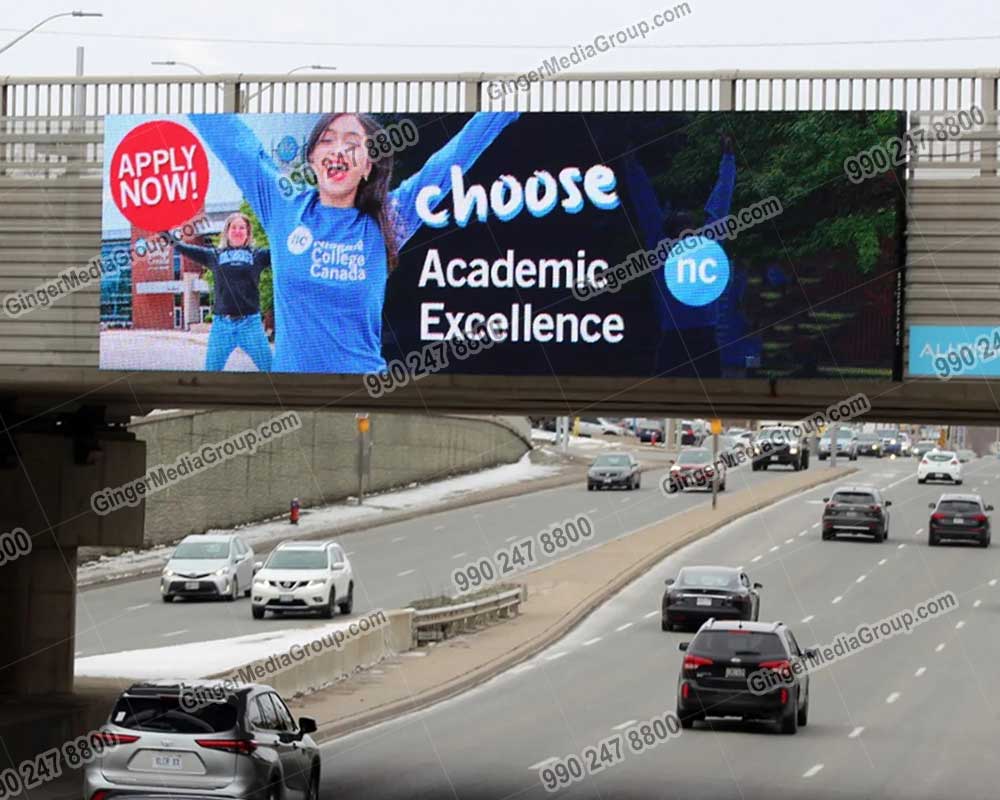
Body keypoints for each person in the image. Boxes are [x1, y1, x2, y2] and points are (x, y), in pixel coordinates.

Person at [189, 111, 520, 373]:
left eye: (352, 143)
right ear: (313, 160)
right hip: (292, 402)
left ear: (367, 166)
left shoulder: (389, 217)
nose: (338, 150)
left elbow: (452, 160)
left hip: (365, 402)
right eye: (327, 140)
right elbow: (234, 142)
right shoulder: (283, 206)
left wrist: (511, 103)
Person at [622, 134, 742, 377]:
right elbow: (720, 204)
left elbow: (646, 206)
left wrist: (631, 165)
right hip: (691, 338)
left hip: (684, 338)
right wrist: (728, 160)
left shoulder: (670, 249)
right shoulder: (680, 247)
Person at [165, 212, 272, 372]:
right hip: (222, 325)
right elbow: (181, 247)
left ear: (248, 233)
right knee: (211, 372)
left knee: (272, 370)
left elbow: (284, 249)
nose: (237, 231)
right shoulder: (214, 255)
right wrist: (162, 230)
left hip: (250, 324)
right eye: (233, 227)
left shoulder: (258, 255)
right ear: (227, 232)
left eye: (242, 228)